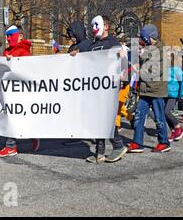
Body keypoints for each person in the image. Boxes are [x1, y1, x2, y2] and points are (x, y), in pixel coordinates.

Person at [70, 15, 128, 163]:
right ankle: (99, 152)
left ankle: (118, 145)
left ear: (106, 26)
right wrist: (76, 55)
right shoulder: (92, 45)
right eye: (92, 26)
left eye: (96, 25)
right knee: (97, 120)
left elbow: (124, 62)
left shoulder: (113, 43)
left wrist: (122, 72)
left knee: (105, 119)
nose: (93, 28)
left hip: (109, 88)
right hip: (95, 89)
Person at [0, 25, 39, 157]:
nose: (8, 38)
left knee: (13, 117)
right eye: (7, 35)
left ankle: (11, 146)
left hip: (19, 92)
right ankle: (33, 135)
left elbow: (28, 71)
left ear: (20, 36)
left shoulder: (25, 52)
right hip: (8, 91)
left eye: (10, 35)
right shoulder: (7, 51)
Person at [128, 24, 171, 153]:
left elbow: (157, 71)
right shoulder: (148, 49)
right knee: (139, 116)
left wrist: (139, 70)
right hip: (145, 89)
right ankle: (137, 142)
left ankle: (164, 142)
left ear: (149, 37)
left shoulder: (161, 50)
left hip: (156, 90)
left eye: (143, 36)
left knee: (159, 117)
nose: (141, 39)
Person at [166, 52, 183, 142]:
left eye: (167, 57)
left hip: (173, 94)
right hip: (165, 94)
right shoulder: (164, 69)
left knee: (166, 112)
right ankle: (173, 131)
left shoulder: (176, 69)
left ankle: (179, 127)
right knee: (164, 114)